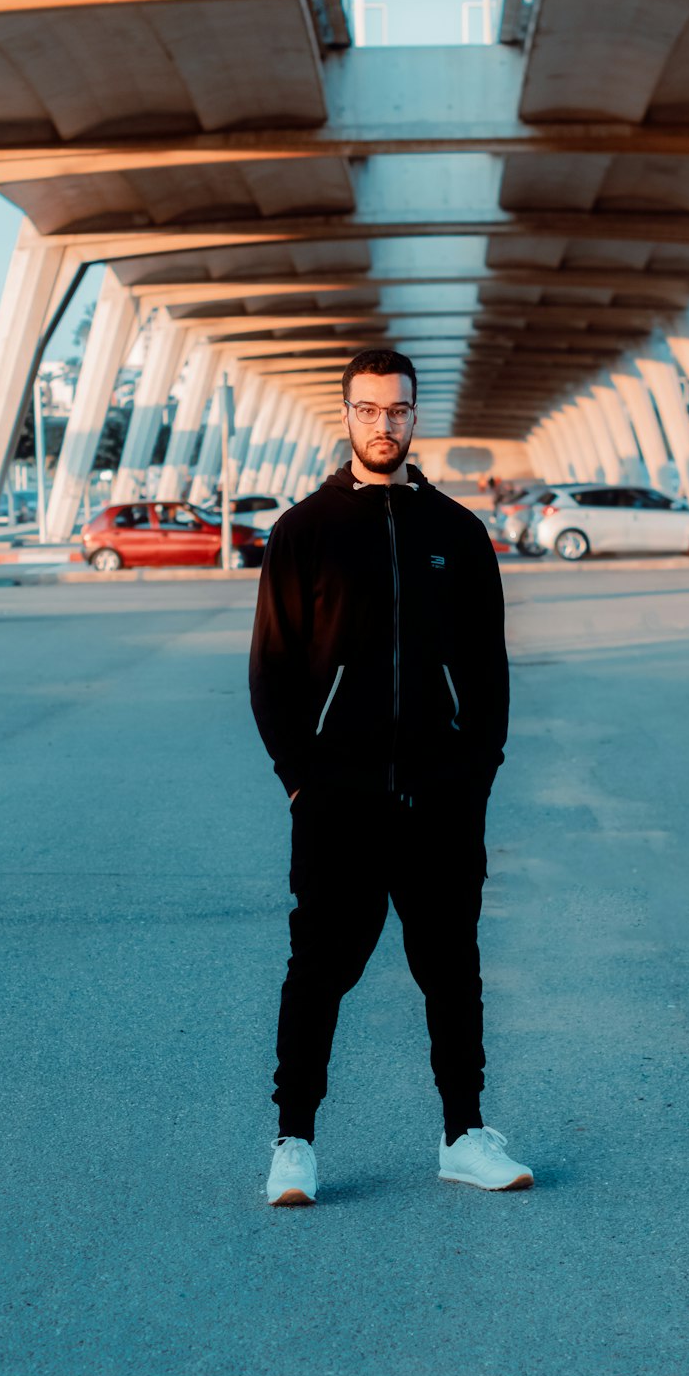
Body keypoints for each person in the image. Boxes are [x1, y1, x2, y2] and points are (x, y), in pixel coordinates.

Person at [249, 347, 532, 1206]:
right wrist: (302, 779)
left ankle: (463, 1134)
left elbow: (489, 671)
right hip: (339, 797)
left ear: (416, 416)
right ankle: (293, 1141)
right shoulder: (304, 531)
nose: (384, 423)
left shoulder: (456, 532)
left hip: (442, 799)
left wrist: (475, 773)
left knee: (453, 969)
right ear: (348, 416)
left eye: (398, 409)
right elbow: (273, 670)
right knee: (318, 971)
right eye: (369, 409)